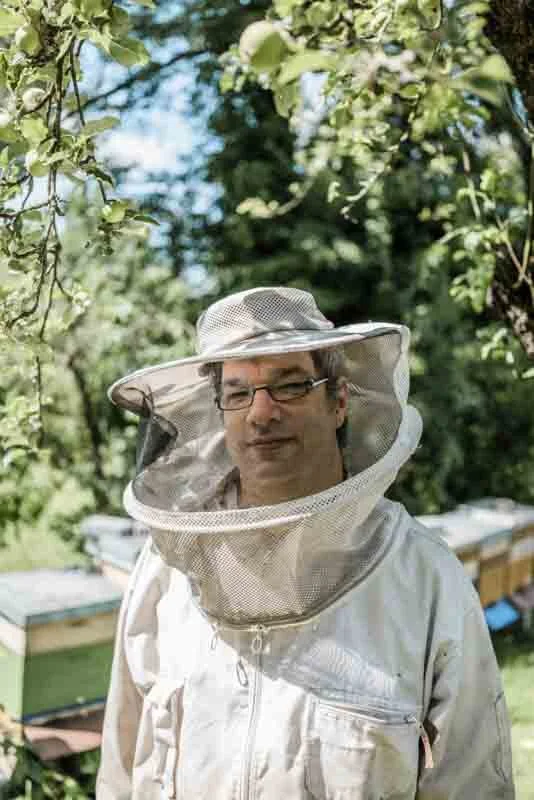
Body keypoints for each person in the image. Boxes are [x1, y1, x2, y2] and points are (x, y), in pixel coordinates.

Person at [97, 286, 515, 799]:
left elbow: (473, 784)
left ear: (338, 401)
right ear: (219, 411)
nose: (261, 413)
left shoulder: (426, 579)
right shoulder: (165, 568)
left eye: (290, 386)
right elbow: (120, 772)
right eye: (238, 393)